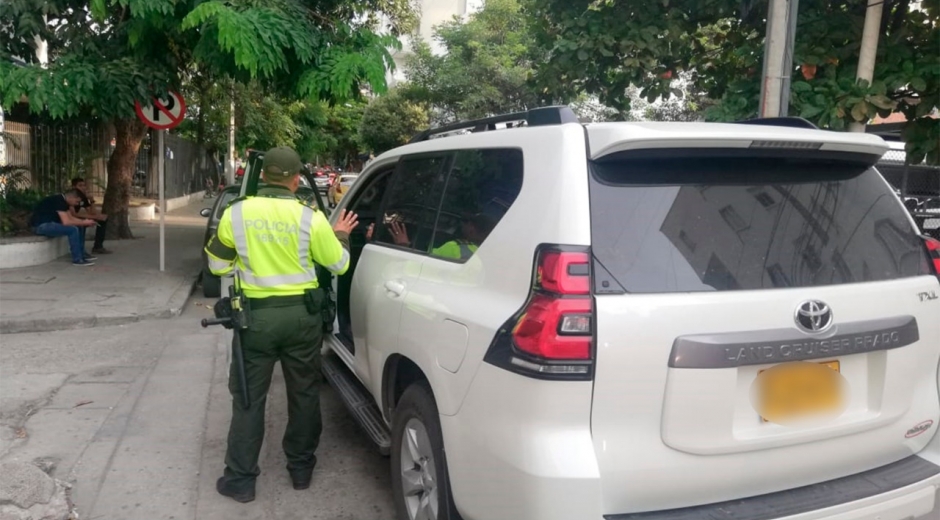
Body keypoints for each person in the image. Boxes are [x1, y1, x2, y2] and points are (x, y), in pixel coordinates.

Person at [204, 146, 360, 503]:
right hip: (301, 319)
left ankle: (241, 480)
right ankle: (301, 469)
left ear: (262, 177)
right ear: (294, 180)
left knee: (248, 398)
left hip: (255, 321)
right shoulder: (309, 217)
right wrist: (339, 234)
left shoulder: (236, 214)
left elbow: (217, 267)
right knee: (303, 393)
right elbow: (338, 265)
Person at [366, 212, 496, 261]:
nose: (462, 226)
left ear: (472, 228)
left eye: (466, 223)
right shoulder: (493, 254)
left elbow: (420, 265)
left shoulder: (456, 249)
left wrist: (403, 245)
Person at [30, 189, 99, 266]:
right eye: (77, 201)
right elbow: (66, 222)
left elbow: (71, 218)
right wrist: (83, 222)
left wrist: (85, 222)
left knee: (79, 226)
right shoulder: (58, 201)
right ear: (72, 197)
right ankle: (77, 259)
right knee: (73, 229)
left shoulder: (64, 201)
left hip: (50, 224)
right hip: (41, 226)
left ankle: (82, 254)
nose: (77, 204)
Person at [70, 178, 111, 254]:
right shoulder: (70, 196)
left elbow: (92, 212)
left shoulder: (83, 197)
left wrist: (91, 200)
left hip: (76, 217)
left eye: (84, 185)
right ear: (73, 187)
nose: (83, 187)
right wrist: (93, 217)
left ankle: (98, 247)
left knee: (103, 219)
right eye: (80, 185)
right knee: (84, 223)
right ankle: (80, 250)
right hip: (68, 218)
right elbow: (72, 214)